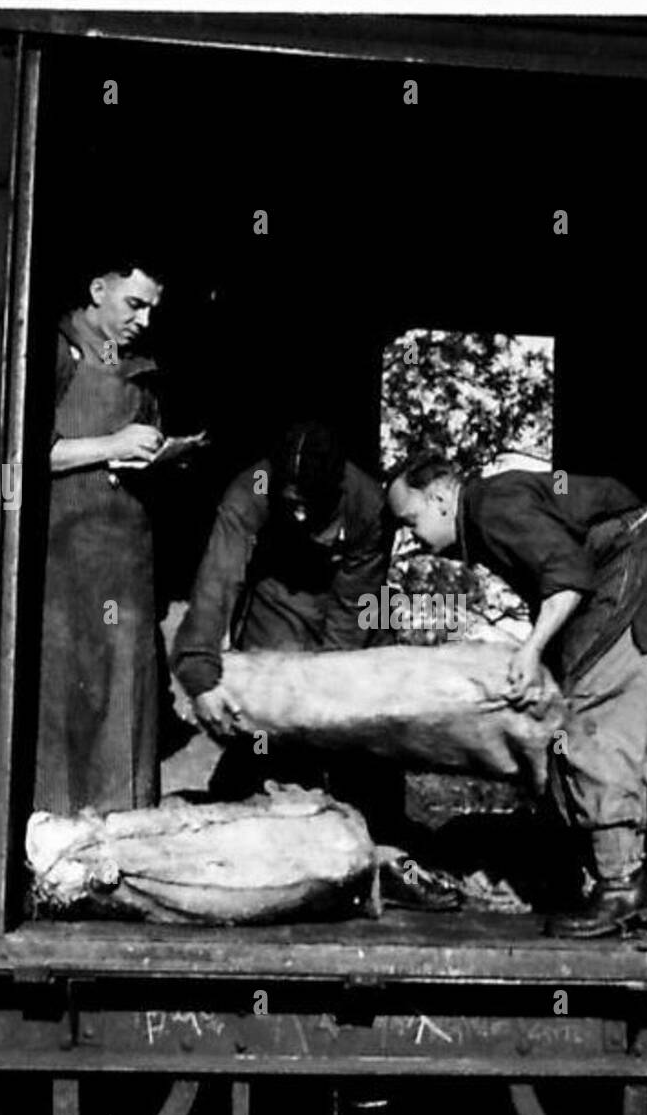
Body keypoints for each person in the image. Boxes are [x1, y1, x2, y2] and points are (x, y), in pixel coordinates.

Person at [386, 453, 647, 938]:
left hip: (629, 567)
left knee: (592, 717)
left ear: (439, 498)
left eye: (410, 519)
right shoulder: (486, 516)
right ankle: (605, 876)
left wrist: (530, 653)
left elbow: (566, 579)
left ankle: (622, 886)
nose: (411, 537)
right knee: (573, 714)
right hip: (629, 569)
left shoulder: (491, 507)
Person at [171, 422, 400, 831]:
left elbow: (354, 607)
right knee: (269, 713)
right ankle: (241, 811)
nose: (297, 513)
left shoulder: (368, 503)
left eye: (308, 504)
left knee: (353, 712)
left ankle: (379, 832)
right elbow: (218, 579)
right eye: (289, 501)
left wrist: (328, 685)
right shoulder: (250, 490)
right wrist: (199, 671)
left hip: (350, 601)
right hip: (278, 589)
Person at [33, 256, 169, 815]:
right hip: (66, 556)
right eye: (134, 305)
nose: (144, 320)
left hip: (126, 557)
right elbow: (24, 454)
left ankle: (125, 841)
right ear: (97, 289)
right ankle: (58, 839)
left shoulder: (135, 364)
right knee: (65, 691)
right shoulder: (54, 350)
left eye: (152, 310)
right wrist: (112, 447)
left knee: (127, 695)